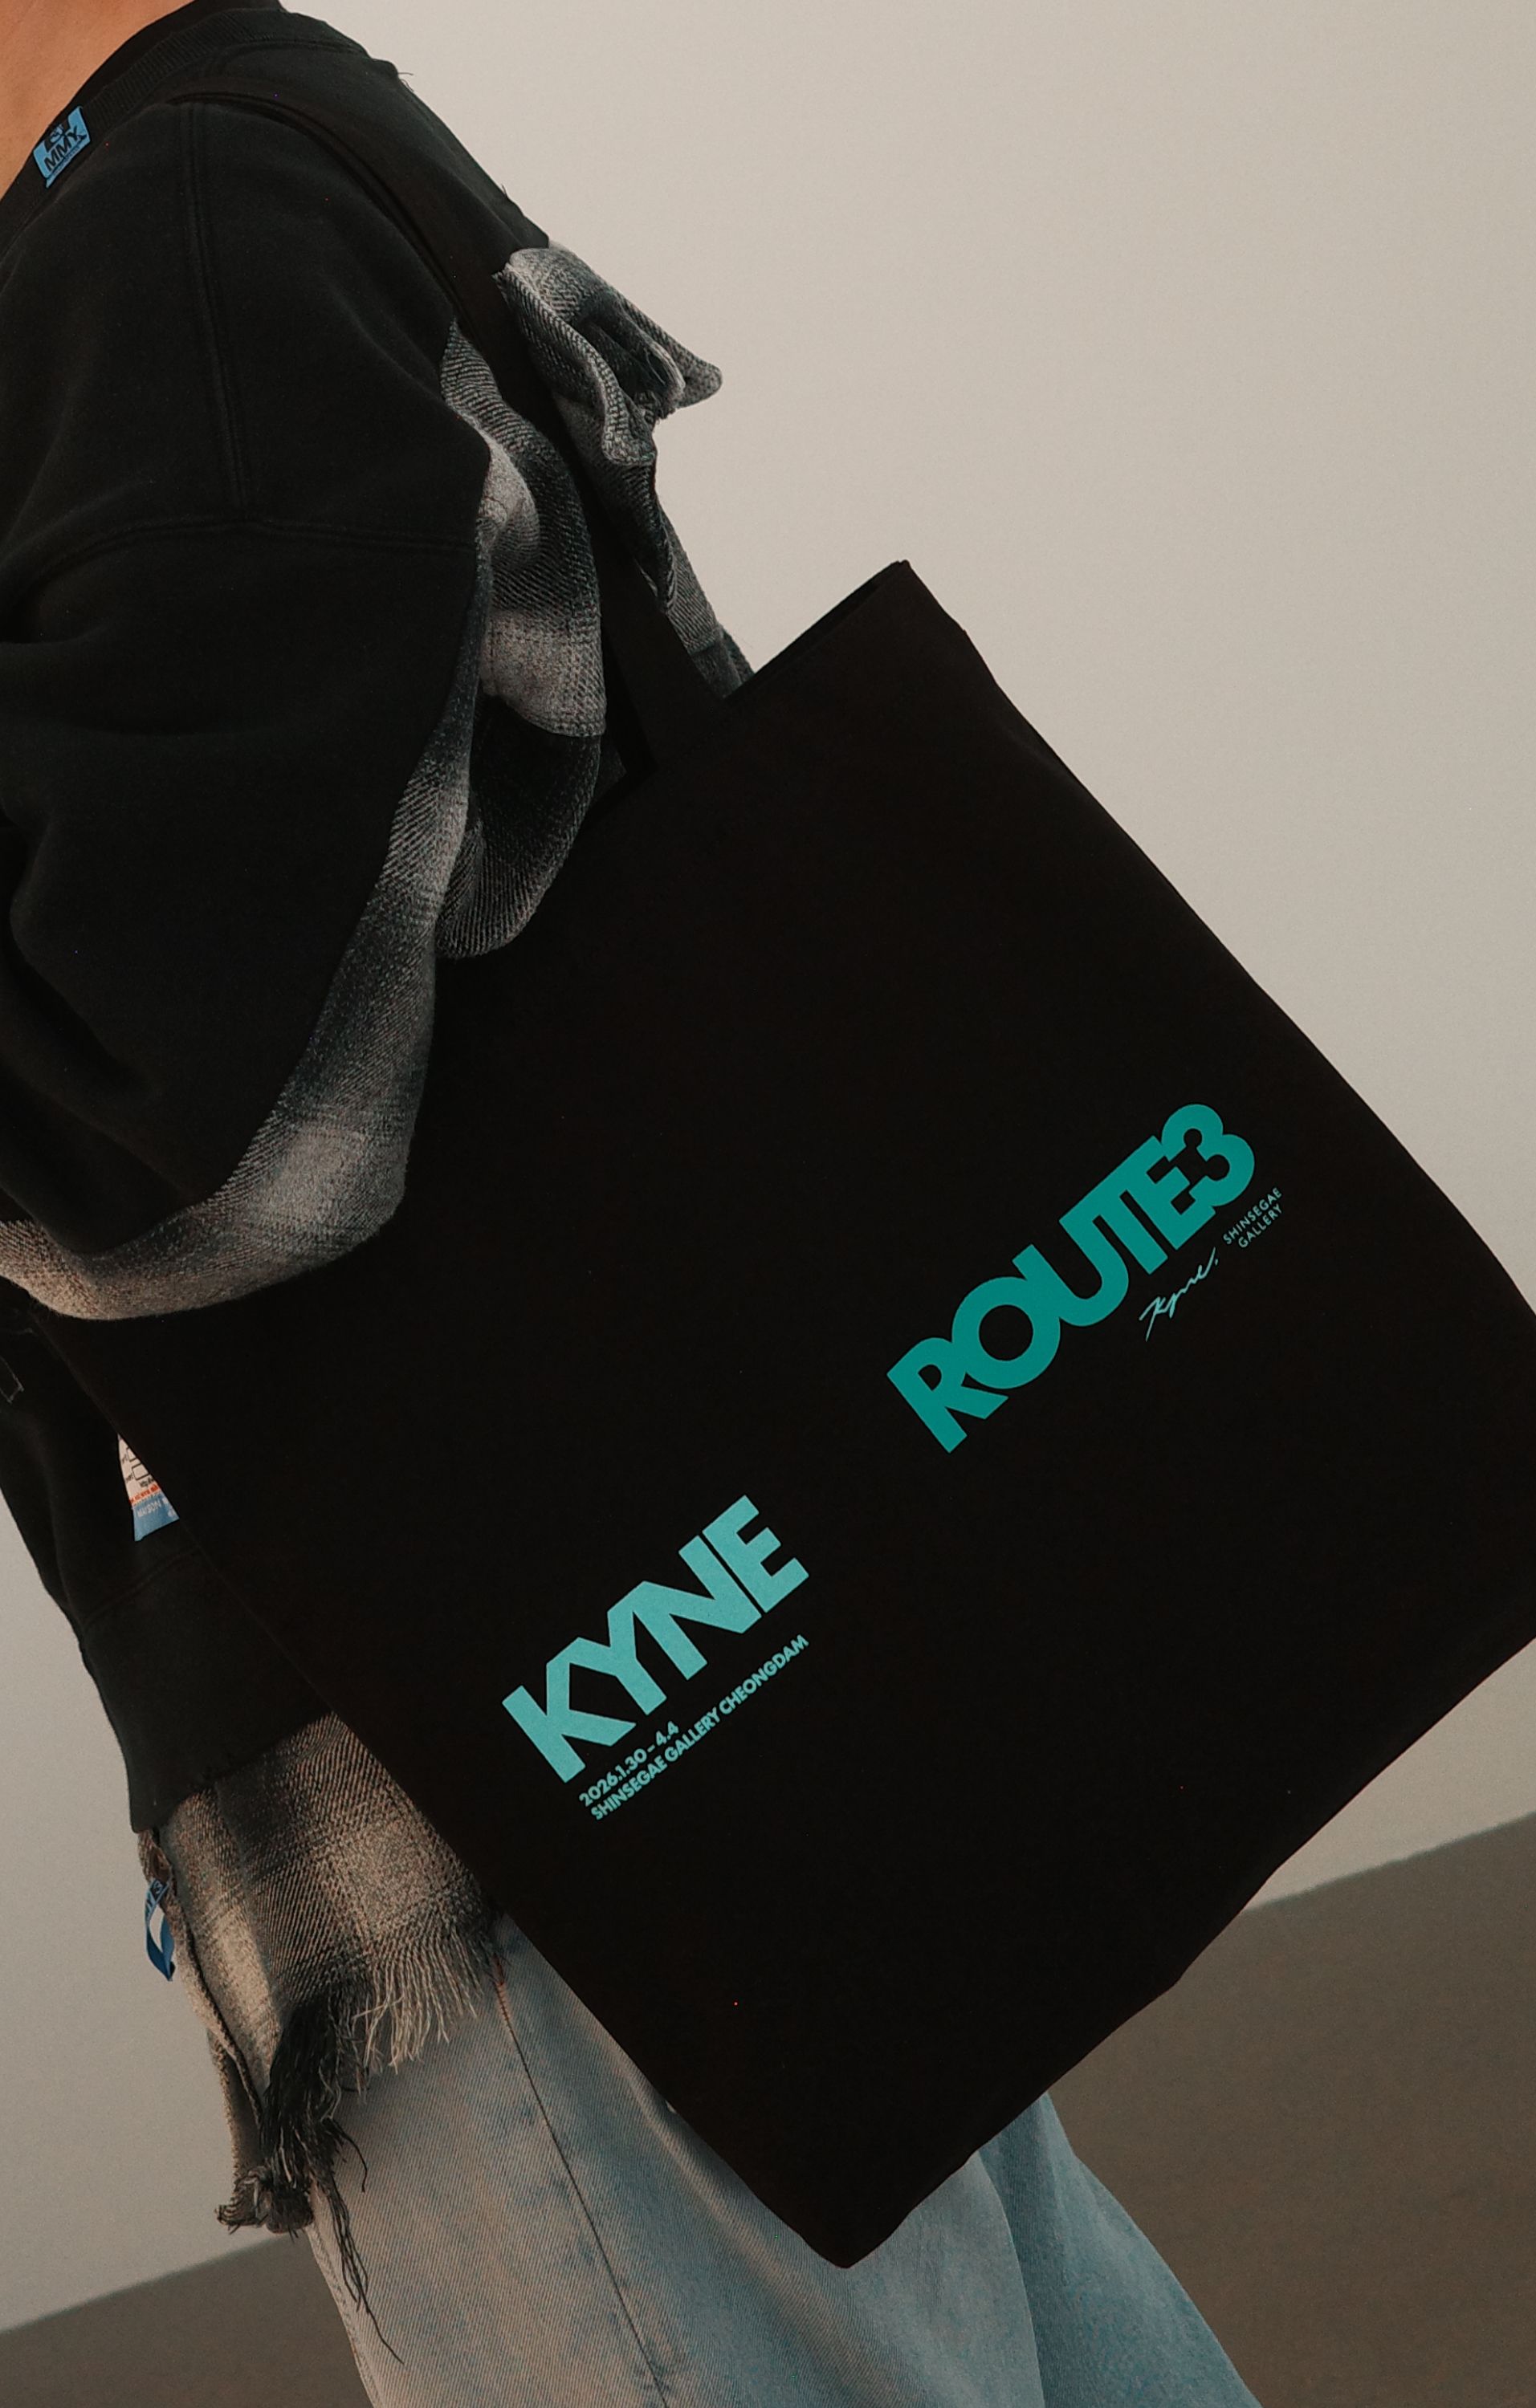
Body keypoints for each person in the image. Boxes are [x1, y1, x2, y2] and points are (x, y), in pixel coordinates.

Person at [0, 4, 1269, 2401]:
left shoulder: (165, 239)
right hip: (716, 1612)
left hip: (513, 1749)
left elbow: (192, 1156)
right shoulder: (228, 163)